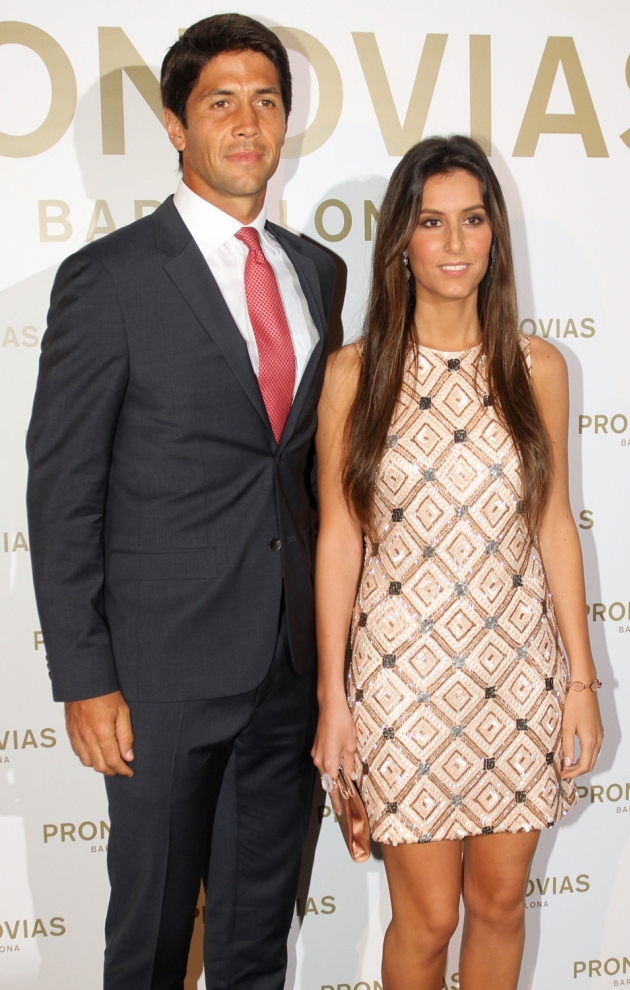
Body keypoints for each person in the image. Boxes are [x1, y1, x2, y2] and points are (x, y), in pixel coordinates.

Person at [26, 14, 336, 990]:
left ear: (286, 119)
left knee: (255, 946)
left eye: (266, 101)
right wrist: (85, 676)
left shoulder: (318, 273)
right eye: (220, 103)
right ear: (175, 124)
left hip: (285, 674)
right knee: (152, 941)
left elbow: (306, 478)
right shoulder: (109, 280)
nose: (247, 124)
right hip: (158, 680)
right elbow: (63, 487)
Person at [312, 135, 603, 990]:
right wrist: (335, 698)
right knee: (430, 916)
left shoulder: (537, 367)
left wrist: (578, 682)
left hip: (516, 672)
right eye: (432, 222)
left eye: (472, 220)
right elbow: (339, 538)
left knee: (503, 902)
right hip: (401, 683)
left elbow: (554, 523)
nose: (453, 242)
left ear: (494, 236)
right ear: (401, 238)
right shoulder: (353, 376)